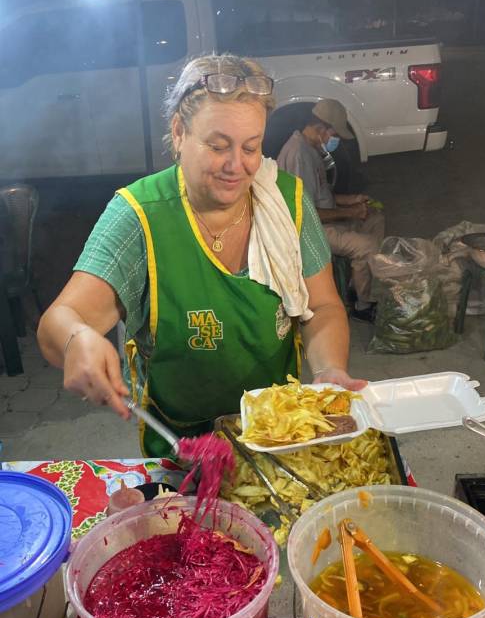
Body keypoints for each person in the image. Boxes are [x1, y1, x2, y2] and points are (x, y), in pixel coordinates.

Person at [37, 54, 366, 456]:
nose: (237, 166)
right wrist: (76, 340)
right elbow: (58, 321)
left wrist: (330, 369)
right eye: (218, 145)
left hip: (279, 434)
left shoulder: (287, 201)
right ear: (179, 132)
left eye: (251, 147)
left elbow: (324, 305)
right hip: (182, 446)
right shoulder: (139, 216)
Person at [277, 99, 385, 322]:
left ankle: (357, 283)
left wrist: (353, 200)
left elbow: (322, 195)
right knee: (367, 246)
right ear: (319, 130)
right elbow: (304, 214)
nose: (333, 140)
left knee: (376, 218)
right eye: (332, 135)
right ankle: (361, 305)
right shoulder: (298, 155)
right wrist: (350, 213)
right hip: (308, 231)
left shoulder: (310, 147)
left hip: (323, 219)